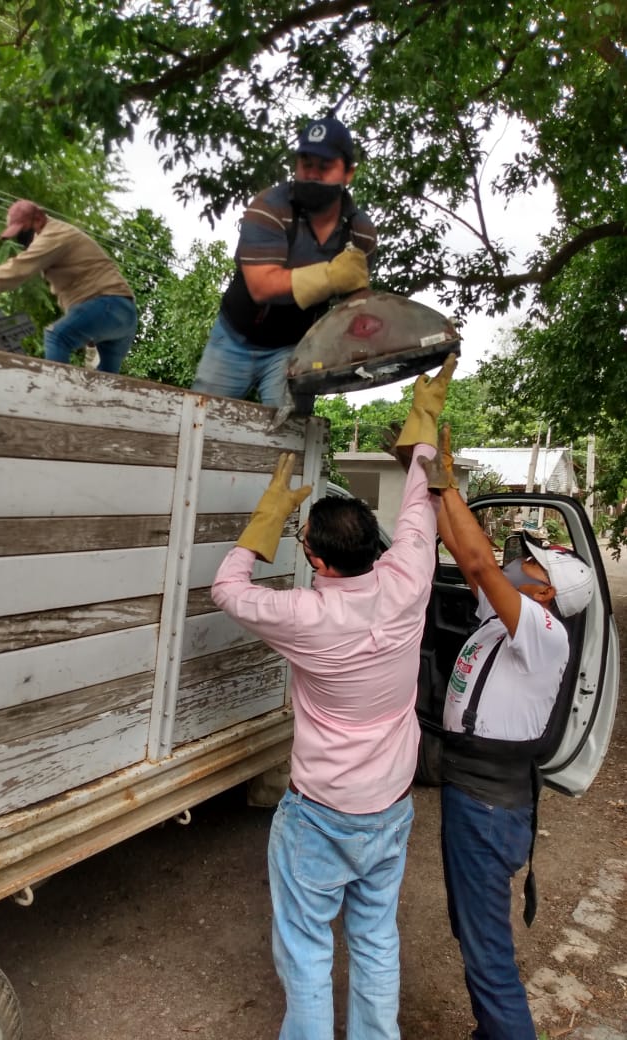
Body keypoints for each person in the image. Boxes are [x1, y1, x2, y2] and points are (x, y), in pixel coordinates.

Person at [210, 354, 457, 1040]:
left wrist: (265, 520)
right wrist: (425, 419)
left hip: (321, 813)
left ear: (318, 562)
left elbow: (227, 592)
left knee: (309, 950)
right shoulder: (407, 579)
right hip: (388, 807)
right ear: (369, 547)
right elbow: (418, 500)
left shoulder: (305, 618)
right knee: (376, 939)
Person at [420, 425, 595, 1040]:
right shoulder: (505, 616)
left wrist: (445, 473)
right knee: (475, 934)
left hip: (488, 805)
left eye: (527, 564)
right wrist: (431, 481)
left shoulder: (545, 636)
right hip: (477, 795)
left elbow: (474, 559)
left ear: (546, 590)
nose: (514, 565)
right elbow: (462, 551)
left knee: (487, 951)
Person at [192, 116, 377, 409]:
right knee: (201, 421)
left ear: (348, 173)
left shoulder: (360, 233)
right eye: (306, 164)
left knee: (294, 434)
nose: (313, 174)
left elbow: (355, 304)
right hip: (234, 339)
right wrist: (331, 276)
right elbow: (262, 286)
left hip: (294, 347)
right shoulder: (269, 207)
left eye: (324, 166)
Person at [0, 200, 137, 372]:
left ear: (38, 219)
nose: (22, 240)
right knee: (107, 383)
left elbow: (21, 266)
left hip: (107, 305)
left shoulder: (53, 235)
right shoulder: (53, 234)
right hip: (125, 314)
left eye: (22, 231)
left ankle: (55, 393)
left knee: (56, 336)